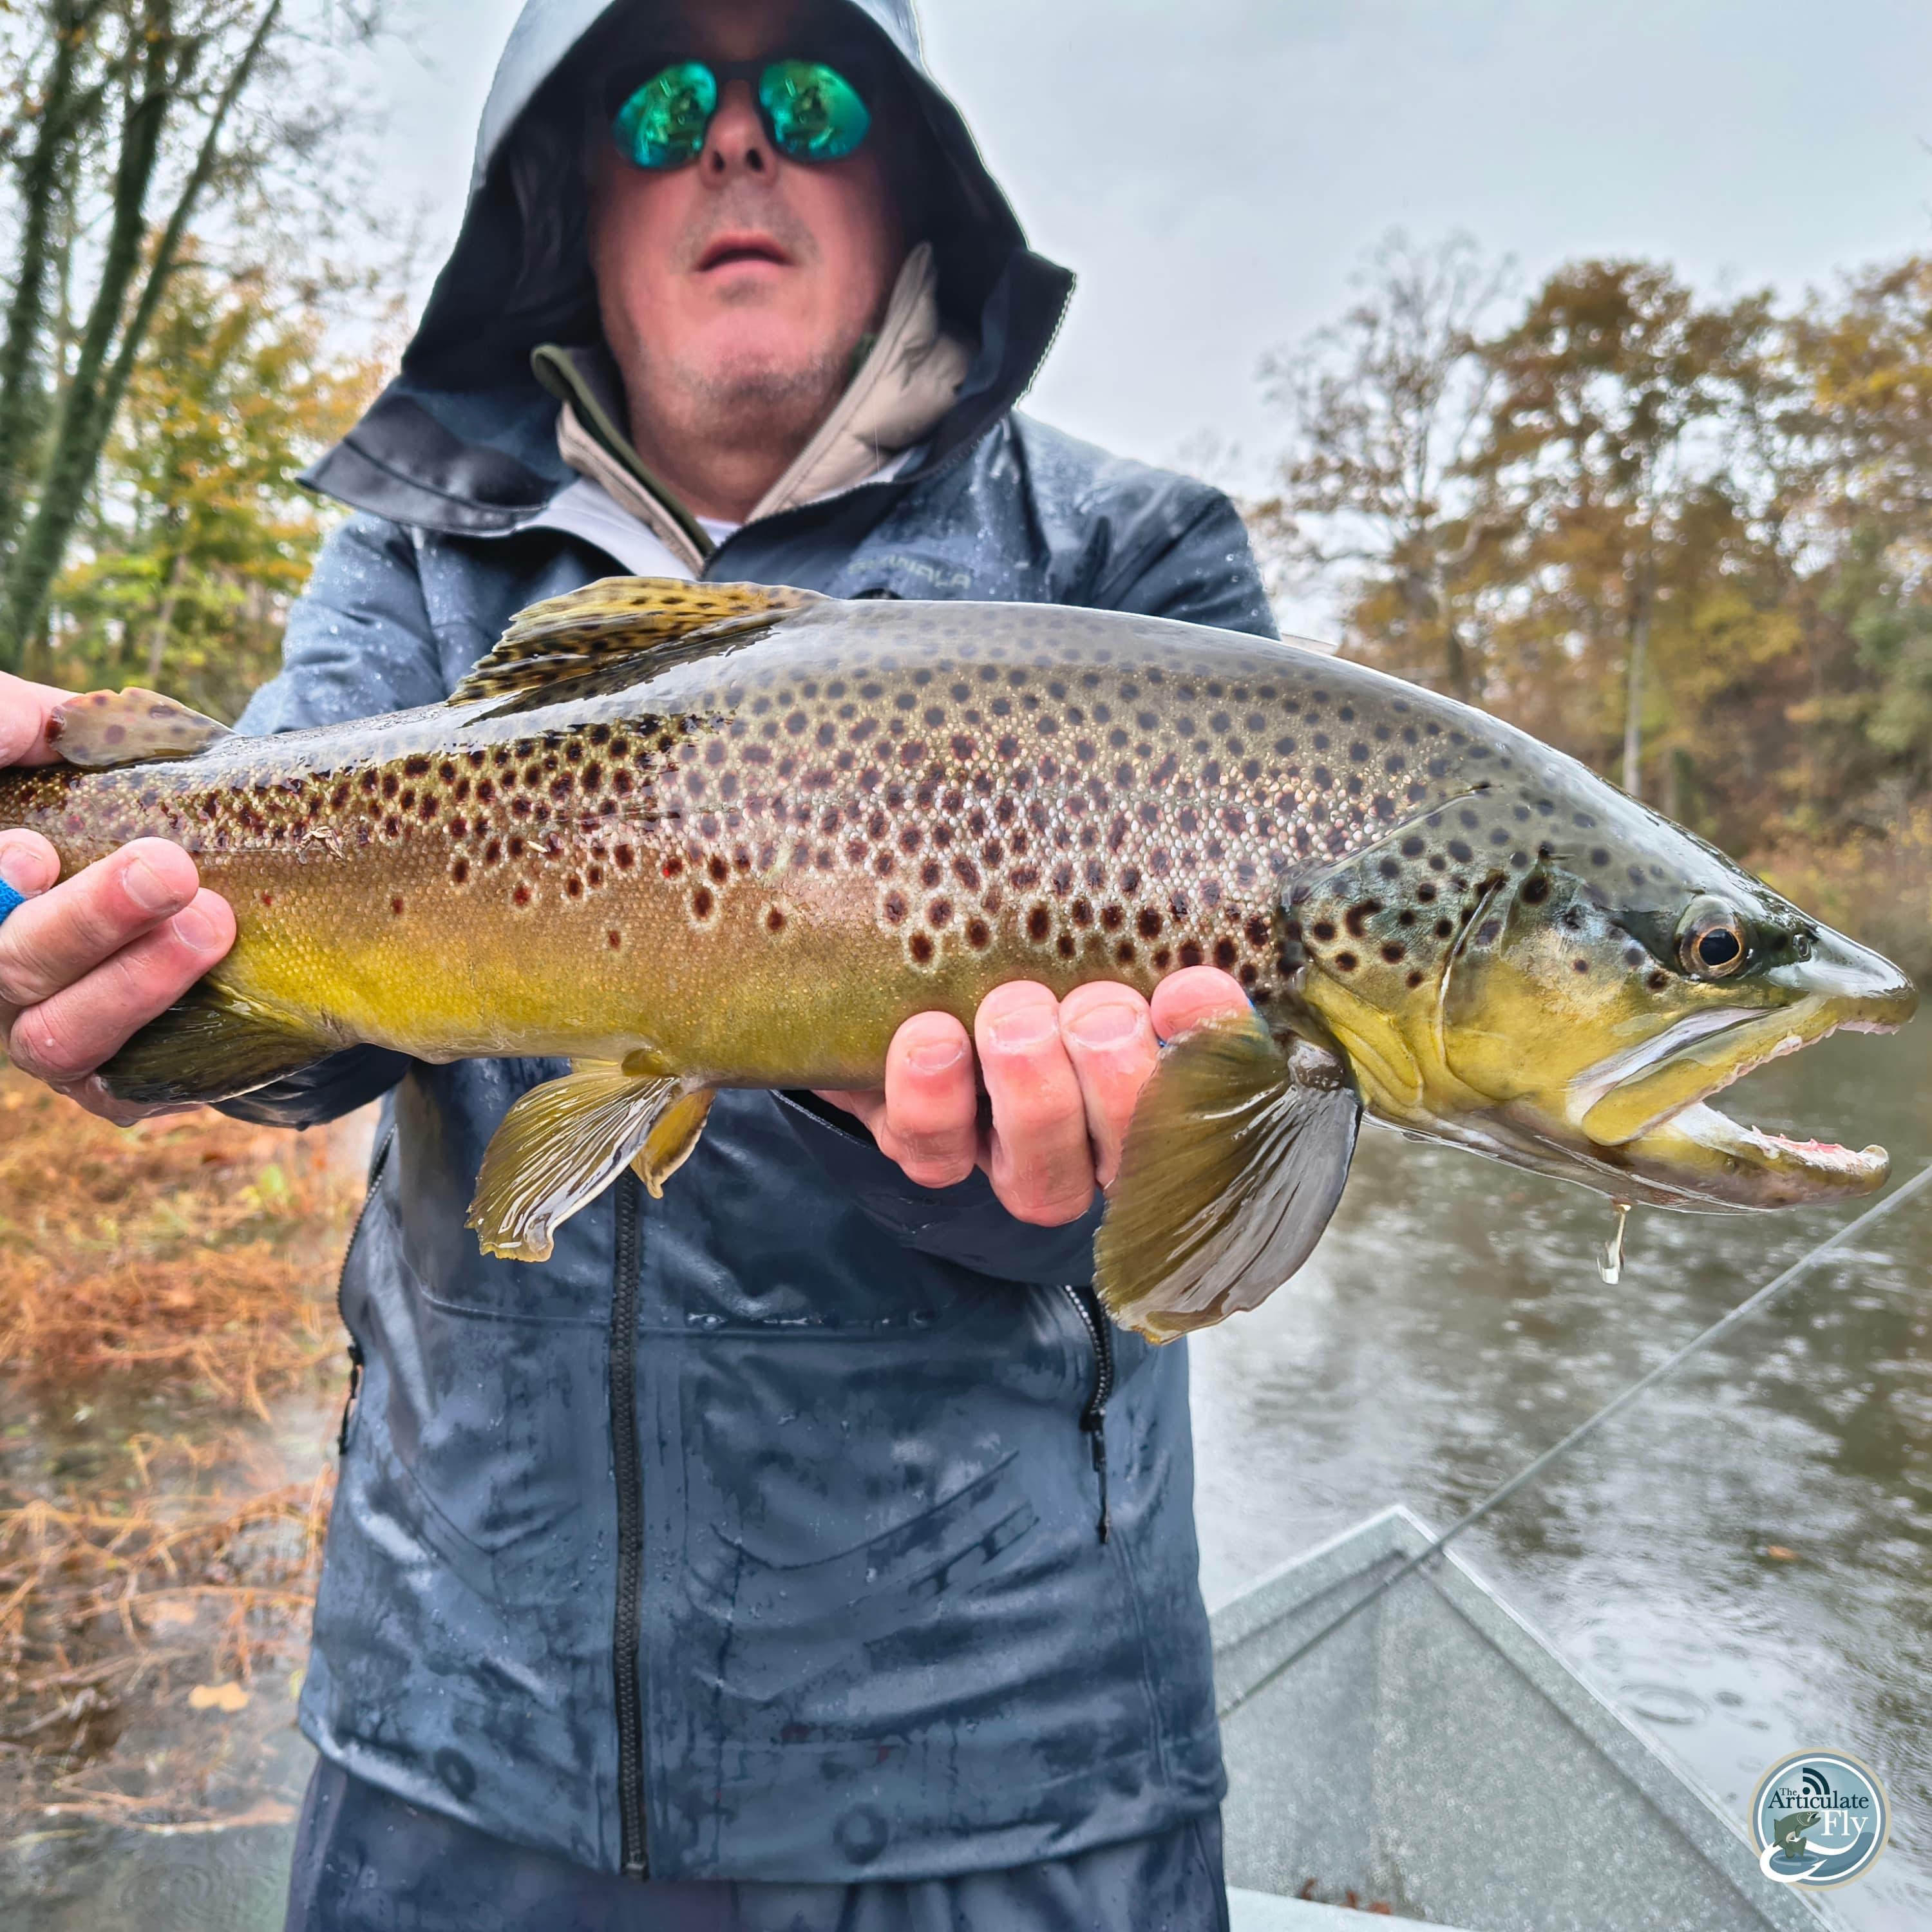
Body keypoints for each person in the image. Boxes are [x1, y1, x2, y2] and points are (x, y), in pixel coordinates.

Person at [0, 2, 1280, 1925]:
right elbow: (301, 1021)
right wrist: (119, 987)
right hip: (452, 1754)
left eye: (816, 94)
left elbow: (1200, 1193)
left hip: (1012, 1791)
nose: (740, 142)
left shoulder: (1130, 565)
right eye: (670, 96)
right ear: (571, 182)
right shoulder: (417, 560)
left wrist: (1056, 1176)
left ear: (914, 170)